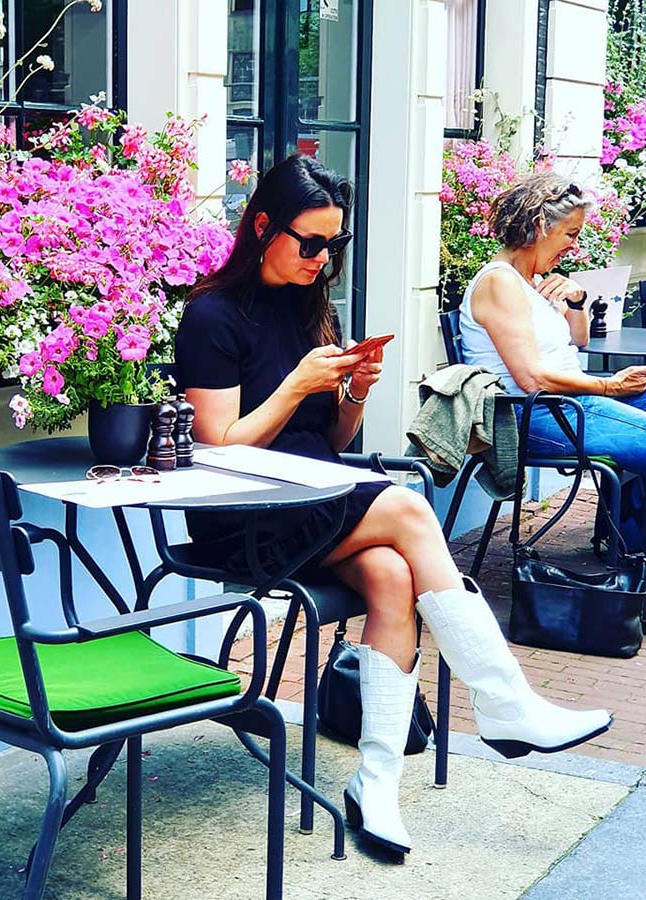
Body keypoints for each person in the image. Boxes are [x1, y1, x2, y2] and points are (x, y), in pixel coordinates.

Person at [174, 155, 611, 859]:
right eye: (309, 243)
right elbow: (216, 445)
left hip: (314, 498)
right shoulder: (211, 316)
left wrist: (352, 392)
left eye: (333, 245)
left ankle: (375, 785)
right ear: (262, 227)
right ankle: (504, 703)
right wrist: (293, 386)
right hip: (243, 510)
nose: (322, 259)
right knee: (408, 509)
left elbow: (330, 439)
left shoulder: (314, 308)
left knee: (391, 576)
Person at [460, 172, 646, 472]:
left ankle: (624, 519)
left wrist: (576, 301)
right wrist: (610, 386)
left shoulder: (532, 279)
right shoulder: (500, 283)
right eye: (571, 234)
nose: (574, 245)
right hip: (532, 415)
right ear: (540, 227)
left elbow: (579, 340)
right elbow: (532, 380)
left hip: (565, 404)